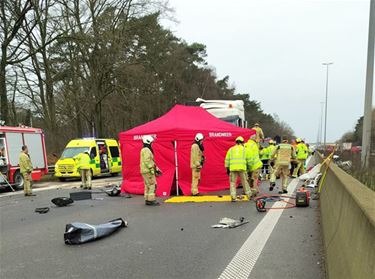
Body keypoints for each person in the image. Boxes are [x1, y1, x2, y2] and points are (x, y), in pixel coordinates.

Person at [225, 136, 252, 202]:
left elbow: (227, 160)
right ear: (242, 142)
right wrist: (249, 169)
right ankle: (249, 195)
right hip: (242, 168)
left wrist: (227, 168)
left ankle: (233, 197)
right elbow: (249, 160)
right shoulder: (244, 149)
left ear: (236, 142)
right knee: (245, 182)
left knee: (232, 183)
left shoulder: (231, 149)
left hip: (233, 169)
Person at [140, 135, 162, 206]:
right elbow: (147, 161)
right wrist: (152, 169)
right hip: (148, 171)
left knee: (147, 185)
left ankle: (147, 199)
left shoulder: (144, 149)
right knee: (153, 185)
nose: (152, 144)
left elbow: (150, 161)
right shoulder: (147, 150)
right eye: (151, 143)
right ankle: (151, 200)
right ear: (148, 142)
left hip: (145, 171)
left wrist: (157, 168)